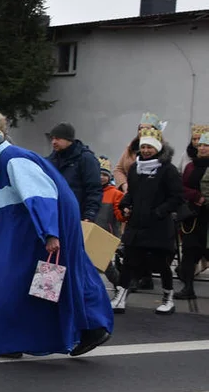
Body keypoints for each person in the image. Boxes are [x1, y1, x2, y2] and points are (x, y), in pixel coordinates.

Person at [0, 105, 112, 358]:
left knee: (14, 278)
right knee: (63, 272)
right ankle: (91, 326)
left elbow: (39, 194)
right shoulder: (11, 158)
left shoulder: (12, 160)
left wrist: (50, 232)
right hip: (37, 220)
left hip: (39, 221)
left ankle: (11, 339)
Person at [112, 128, 183, 315]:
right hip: (136, 224)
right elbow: (132, 193)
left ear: (158, 149)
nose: (145, 151)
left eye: (149, 147)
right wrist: (125, 205)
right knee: (128, 261)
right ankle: (120, 297)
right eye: (143, 147)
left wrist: (159, 211)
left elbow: (177, 197)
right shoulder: (135, 168)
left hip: (158, 225)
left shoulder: (168, 170)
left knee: (161, 264)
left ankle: (168, 297)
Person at [175, 130, 209, 299]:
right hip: (192, 217)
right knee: (189, 252)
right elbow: (180, 187)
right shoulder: (190, 166)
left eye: (206, 145)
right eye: (200, 145)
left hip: (207, 219)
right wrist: (195, 196)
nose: (202, 148)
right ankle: (188, 287)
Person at [46, 122, 102, 223]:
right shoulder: (51, 160)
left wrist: (90, 215)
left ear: (69, 139)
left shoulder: (86, 159)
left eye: (58, 138)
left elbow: (94, 189)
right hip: (55, 215)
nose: (53, 142)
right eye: (52, 138)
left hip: (77, 215)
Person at [96, 156, 126, 289]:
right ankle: (120, 284)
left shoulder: (115, 194)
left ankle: (120, 284)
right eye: (99, 174)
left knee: (104, 263)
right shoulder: (90, 192)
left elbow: (120, 217)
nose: (101, 177)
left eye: (104, 174)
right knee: (97, 263)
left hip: (106, 234)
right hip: (91, 232)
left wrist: (124, 213)